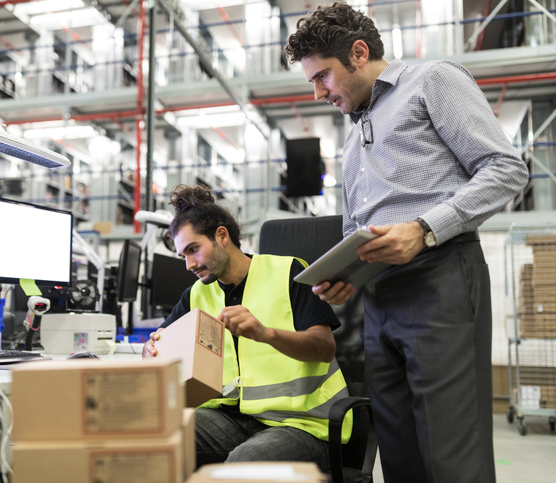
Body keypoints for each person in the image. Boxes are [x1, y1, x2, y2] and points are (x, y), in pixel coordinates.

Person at [285, 3, 530, 483]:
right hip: (378, 296)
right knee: (399, 453)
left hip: (440, 279)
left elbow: (506, 170)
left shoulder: (433, 80)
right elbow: (356, 227)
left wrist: (422, 228)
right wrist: (344, 278)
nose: (318, 93)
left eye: (323, 77)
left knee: (450, 452)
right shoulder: (353, 139)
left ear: (359, 53)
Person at [143, 184, 351, 471]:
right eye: (183, 256)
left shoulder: (288, 273)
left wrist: (266, 334)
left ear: (222, 236)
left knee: (243, 464)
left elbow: (325, 348)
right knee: (154, 434)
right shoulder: (196, 294)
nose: (189, 264)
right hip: (231, 419)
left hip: (301, 424)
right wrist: (152, 348)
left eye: (194, 250)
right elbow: (161, 343)